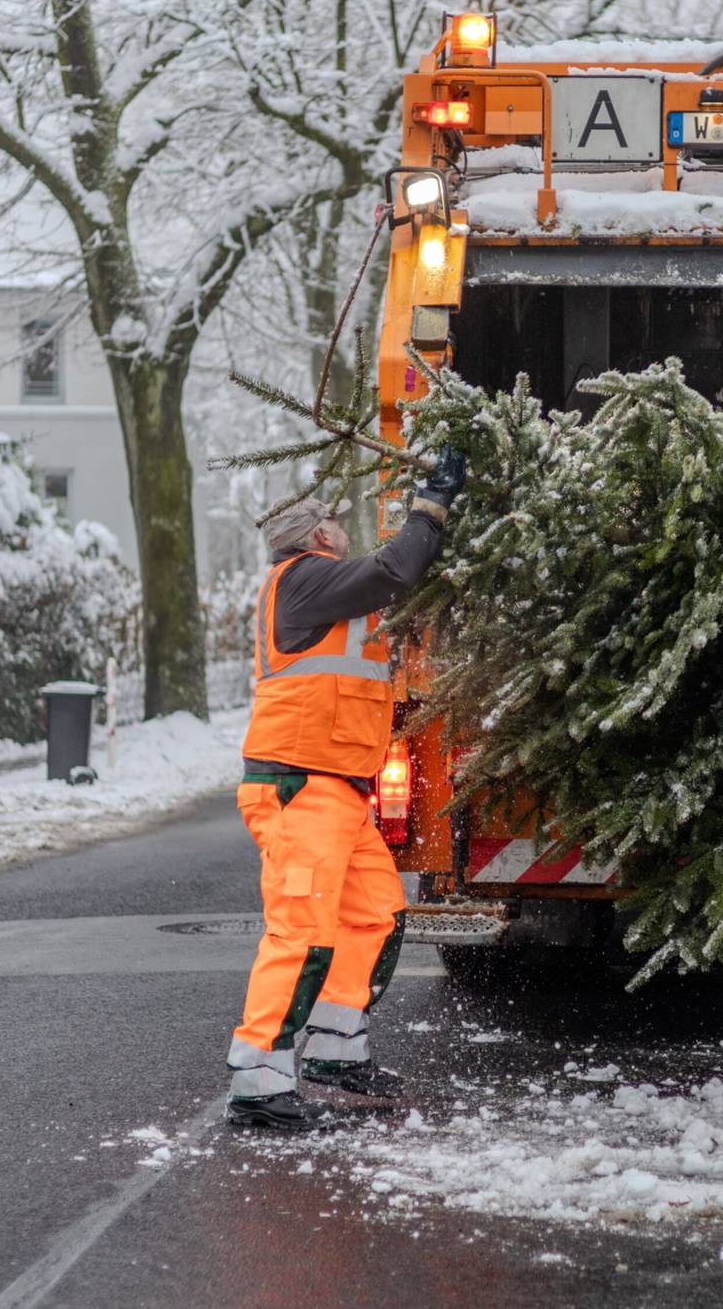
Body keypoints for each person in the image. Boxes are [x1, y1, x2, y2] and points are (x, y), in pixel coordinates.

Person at [225, 449, 466, 1131]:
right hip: (298, 784)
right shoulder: (301, 579)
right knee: (301, 925)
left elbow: (390, 591)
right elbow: (393, 569)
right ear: (319, 536)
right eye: (336, 522)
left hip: (338, 790)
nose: (343, 528)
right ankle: (259, 1079)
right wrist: (430, 508)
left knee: (376, 914)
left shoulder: (329, 594)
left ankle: (336, 1046)